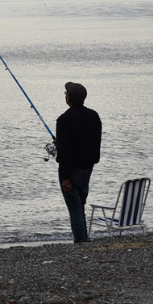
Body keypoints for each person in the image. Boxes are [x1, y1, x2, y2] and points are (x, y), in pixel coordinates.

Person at [55, 81, 102, 243]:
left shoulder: (64, 120)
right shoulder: (94, 116)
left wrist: (66, 178)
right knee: (80, 203)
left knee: (74, 206)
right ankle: (84, 238)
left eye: (65, 94)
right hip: (88, 167)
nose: (65, 96)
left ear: (69, 98)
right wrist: (60, 143)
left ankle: (81, 239)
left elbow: (66, 153)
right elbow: (92, 141)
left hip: (71, 169)